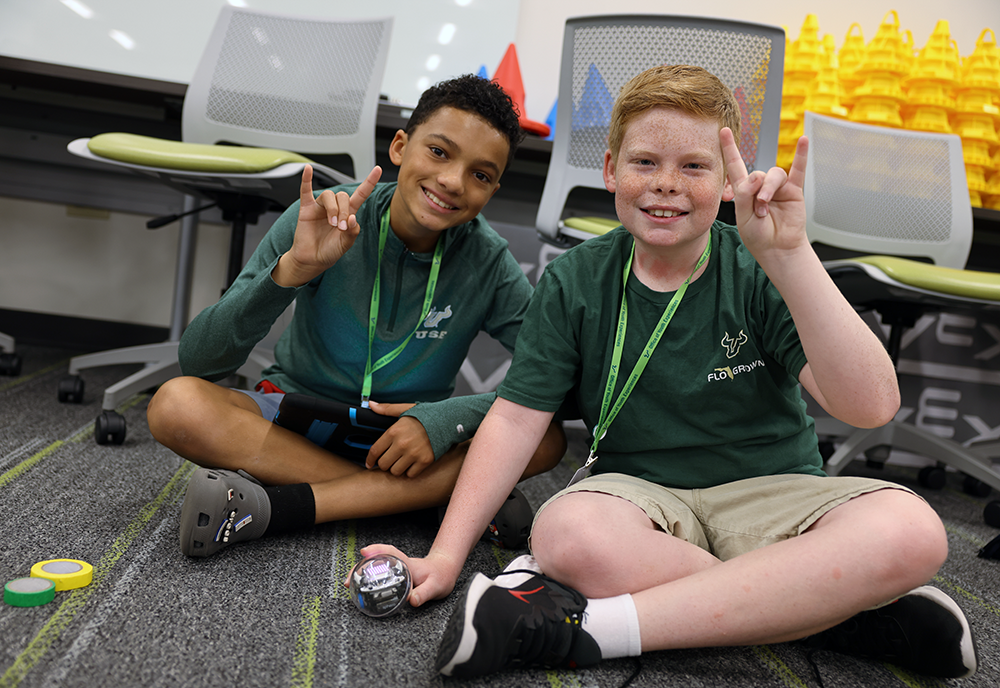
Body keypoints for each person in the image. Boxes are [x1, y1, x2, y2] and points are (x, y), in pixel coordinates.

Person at [363, 65, 978, 680]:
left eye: (693, 166)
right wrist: (445, 558)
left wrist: (792, 258)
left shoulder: (760, 266)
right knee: (566, 534)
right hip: (642, 500)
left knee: (913, 532)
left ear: (727, 180)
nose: (666, 186)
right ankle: (835, 614)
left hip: (773, 497)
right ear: (610, 172)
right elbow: (516, 420)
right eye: (645, 163)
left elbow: (869, 407)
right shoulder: (575, 280)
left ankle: (592, 631)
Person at [146, 75, 566, 558]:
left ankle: (292, 505)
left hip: (410, 440)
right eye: (439, 152)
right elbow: (200, 361)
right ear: (400, 147)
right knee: (177, 404)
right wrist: (292, 272)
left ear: (492, 189)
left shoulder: (488, 261)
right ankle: (421, 503)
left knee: (547, 440)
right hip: (294, 420)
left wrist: (447, 419)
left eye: (481, 174)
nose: (453, 181)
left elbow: (552, 379)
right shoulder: (326, 217)